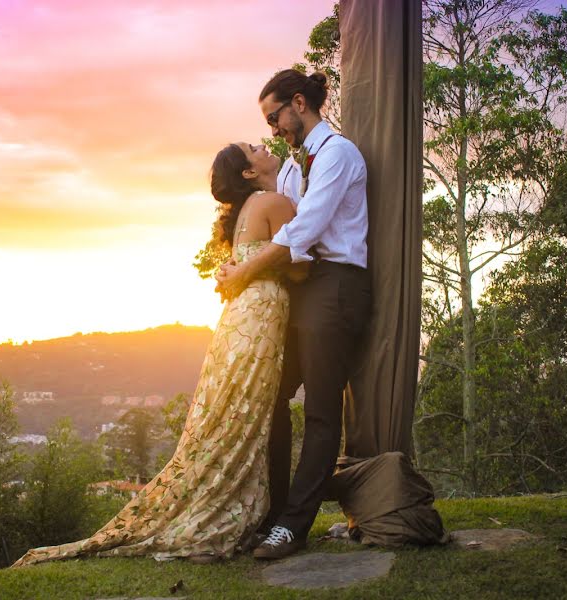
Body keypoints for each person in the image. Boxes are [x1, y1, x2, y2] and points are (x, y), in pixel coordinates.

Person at [12, 142, 306, 567]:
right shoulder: (274, 202)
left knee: (238, 415)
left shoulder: (243, 215)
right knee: (254, 416)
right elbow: (301, 266)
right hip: (261, 317)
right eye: (252, 147)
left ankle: (249, 507)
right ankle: (257, 512)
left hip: (237, 322)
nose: (261, 145)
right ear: (246, 172)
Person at [216, 69, 371, 560]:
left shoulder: (338, 155)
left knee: (323, 410)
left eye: (274, 118)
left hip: (338, 284)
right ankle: (273, 510)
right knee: (275, 394)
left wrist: (244, 272)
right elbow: (279, 231)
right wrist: (237, 263)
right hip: (302, 285)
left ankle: (293, 526)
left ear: (298, 103)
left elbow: (305, 229)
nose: (273, 130)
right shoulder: (288, 170)